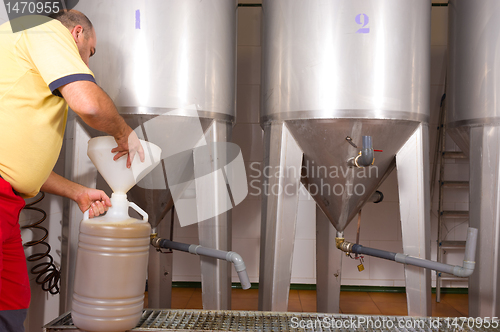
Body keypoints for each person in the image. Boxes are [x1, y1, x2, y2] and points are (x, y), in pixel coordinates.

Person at [0, 10, 144, 331]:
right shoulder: (46, 29)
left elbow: (19, 160)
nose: (87, 65)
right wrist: (124, 134)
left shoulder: (22, 44)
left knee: (11, 300)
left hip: (8, 202)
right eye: (90, 52)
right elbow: (89, 103)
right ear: (77, 33)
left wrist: (77, 191)